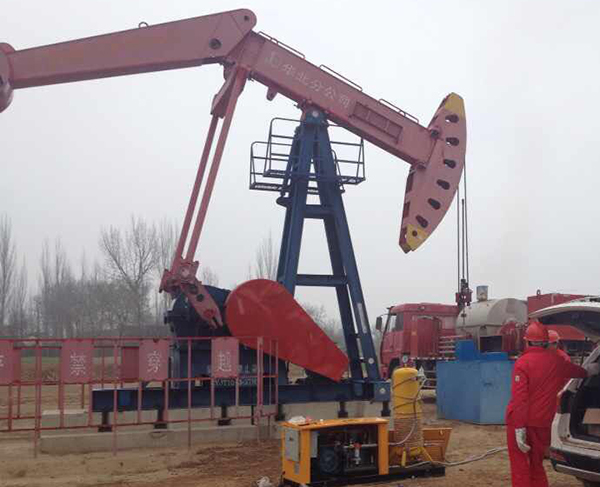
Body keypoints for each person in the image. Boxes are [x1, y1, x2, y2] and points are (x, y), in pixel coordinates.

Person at [505, 320, 600, 487]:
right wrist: (593, 368)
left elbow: (520, 399)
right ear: (546, 342)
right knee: (537, 464)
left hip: (522, 421)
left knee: (520, 465)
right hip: (543, 423)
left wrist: (519, 427)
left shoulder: (522, 363)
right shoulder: (557, 361)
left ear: (527, 341)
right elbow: (581, 372)